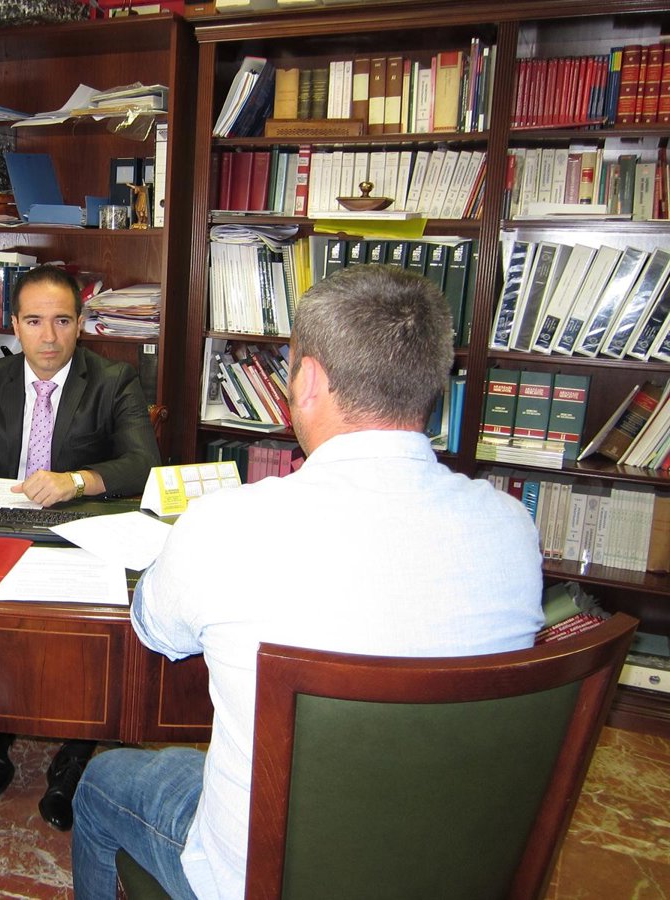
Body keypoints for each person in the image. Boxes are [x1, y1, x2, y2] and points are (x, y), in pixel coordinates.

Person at [71, 264, 546, 899]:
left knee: (104, 784)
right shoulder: (512, 526)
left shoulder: (227, 524)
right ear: (434, 381)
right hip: (448, 866)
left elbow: (155, 632)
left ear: (310, 380)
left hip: (266, 880)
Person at [0, 263, 160, 831]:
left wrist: (78, 480)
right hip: (5, 527)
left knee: (85, 635)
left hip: (80, 533)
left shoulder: (113, 380)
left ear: (80, 324)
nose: (49, 336)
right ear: (15, 325)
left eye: (62, 321)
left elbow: (144, 463)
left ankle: (76, 750)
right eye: (35, 321)